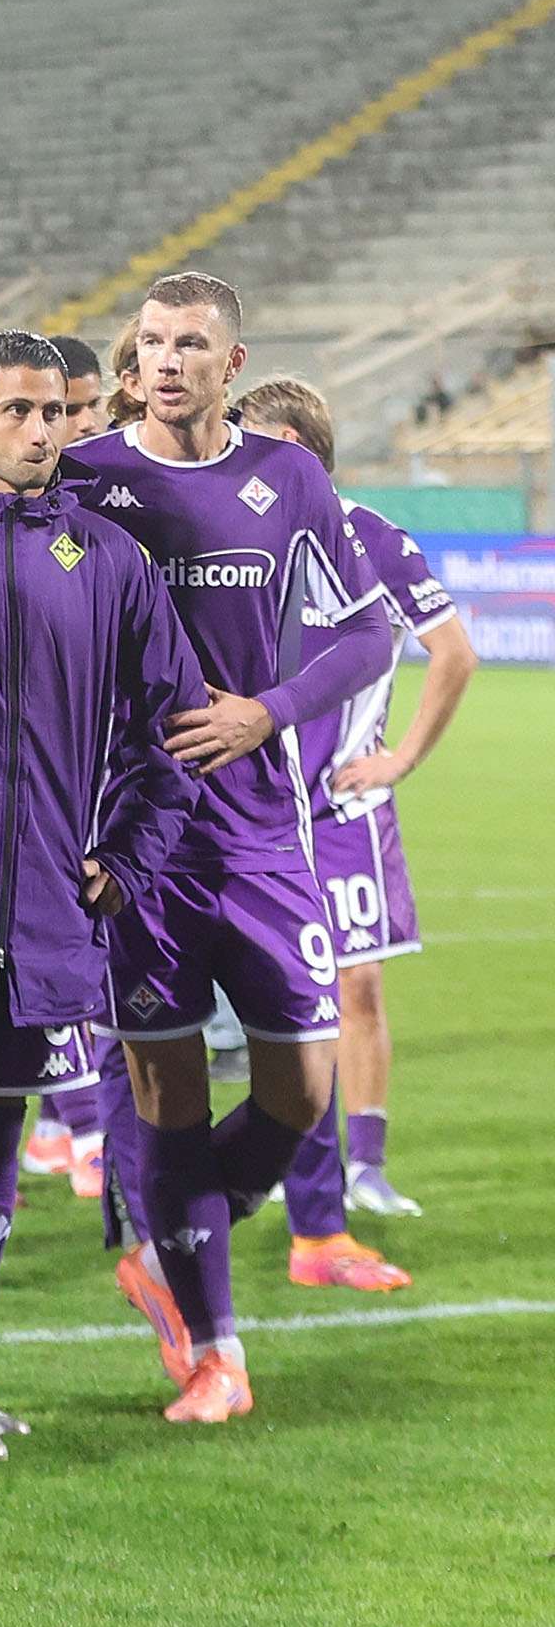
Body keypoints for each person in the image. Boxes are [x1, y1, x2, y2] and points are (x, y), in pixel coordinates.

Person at [65, 273, 395, 1424]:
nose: (166, 361)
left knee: (303, 1083)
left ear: (233, 361)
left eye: (190, 343)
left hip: (261, 831)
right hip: (139, 837)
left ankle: (173, 1234)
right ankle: (217, 1351)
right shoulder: (89, 476)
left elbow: (366, 636)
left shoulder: (286, 476)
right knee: (165, 1087)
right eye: (151, 342)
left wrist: (267, 710)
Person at [0, 334, 197, 1458]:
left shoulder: (109, 558)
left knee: (1, 1144)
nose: (42, 431)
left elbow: (174, 734)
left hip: (55, 909)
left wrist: (128, 855)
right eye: (18, 410)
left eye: (58, 412)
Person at [235, 375, 476, 1258]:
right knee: (273, 1004)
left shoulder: (373, 537)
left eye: (256, 440)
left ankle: (360, 1166)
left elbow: (454, 652)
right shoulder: (238, 539)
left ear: (295, 446)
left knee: (356, 988)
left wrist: (400, 757)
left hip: (346, 813)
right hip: (259, 806)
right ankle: (281, 1173)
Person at [21, 331, 123, 1194]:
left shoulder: (127, 506)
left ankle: (73, 1124)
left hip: (116, 767)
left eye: (82, 408)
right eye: (60, 408)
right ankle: (76, 1125)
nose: (73, 424)